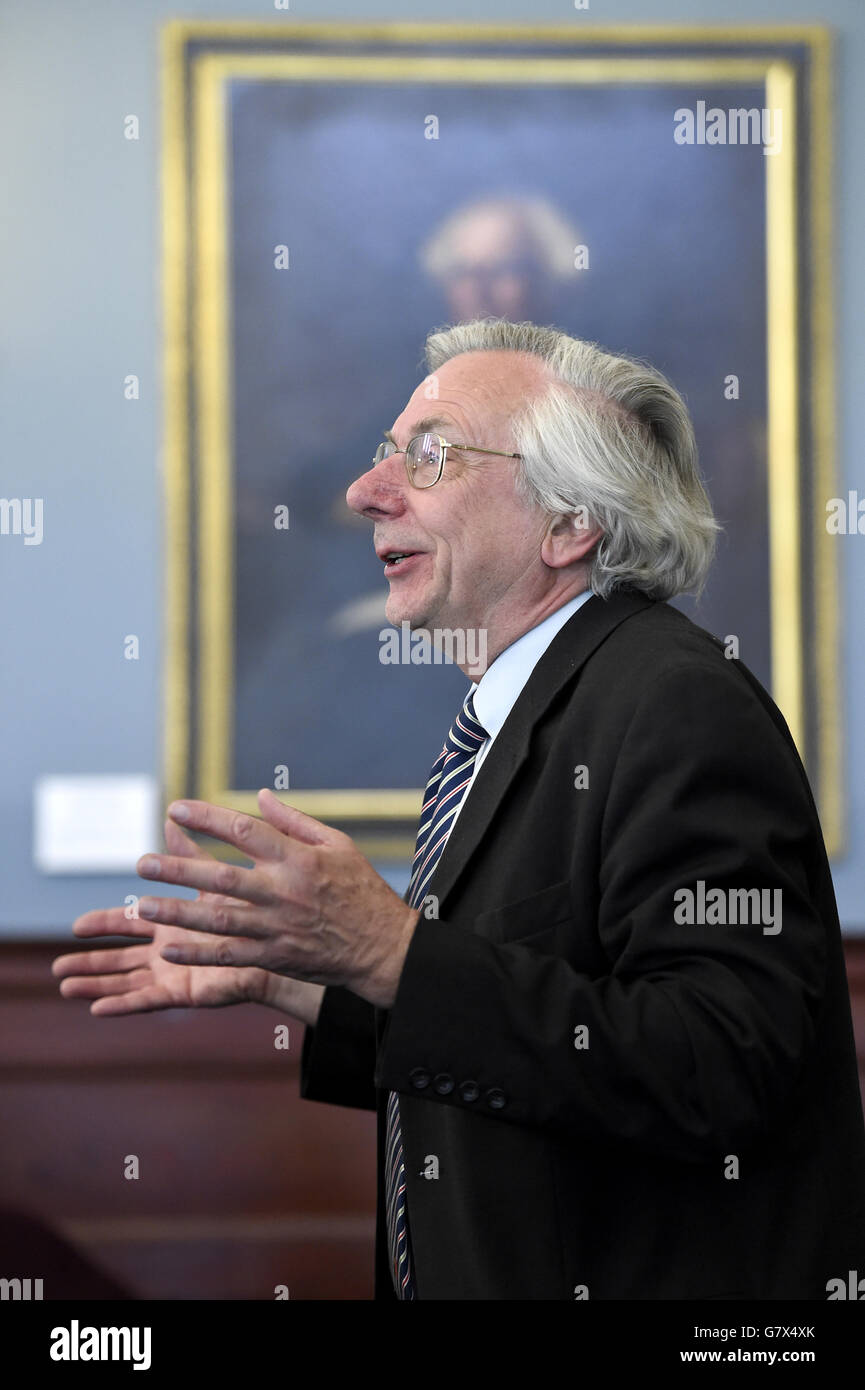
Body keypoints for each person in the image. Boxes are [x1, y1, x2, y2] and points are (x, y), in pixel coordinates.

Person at [54, 319, 865, 1301]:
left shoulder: (672, 702)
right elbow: (520, 1035)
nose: (365, 493)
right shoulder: (537, 708)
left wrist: (392, 953)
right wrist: (311, 983)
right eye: (383, 455)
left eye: (428, 455)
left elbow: (721, 1065)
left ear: (569, 523)